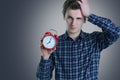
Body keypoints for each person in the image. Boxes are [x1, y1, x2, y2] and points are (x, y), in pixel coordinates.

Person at [36, 0, 120, 80]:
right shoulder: (55, 44)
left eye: (78, 18)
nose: (73, 23)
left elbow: (116, 32)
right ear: (64, 17)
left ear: (84, 19)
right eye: (70, 17)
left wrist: (89, 15)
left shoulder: (95, 40)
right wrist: (45, 57)